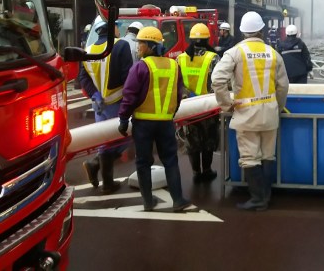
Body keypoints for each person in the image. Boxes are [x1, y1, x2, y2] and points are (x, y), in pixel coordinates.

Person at [211, 11, 289, 211]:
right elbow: (283, 86)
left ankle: (258, 199)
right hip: (270, 111)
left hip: (246, 113)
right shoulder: (273, 53)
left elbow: (217, 79)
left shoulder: (235, 52)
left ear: (243, 32)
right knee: (268, 155)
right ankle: (266, 196)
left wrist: (226, 104)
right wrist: (277, 107)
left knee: (250, 157)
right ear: (261, 31)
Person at [118, 26, 191, 212]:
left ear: (150, 45)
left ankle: (148, 202)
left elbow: (130, 95)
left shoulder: (141, 67)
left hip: (143, 124)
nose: (138, 47)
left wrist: (123, 119)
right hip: (166, 122)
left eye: (141, 43)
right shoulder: (174, 65)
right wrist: (170, 114)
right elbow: (177, 95)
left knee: (143, 162)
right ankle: (178, 200)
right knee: (170, 161)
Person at [78, 21, 134, 193]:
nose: (119, 29)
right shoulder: (121, 46)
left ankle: (101, 173)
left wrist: (95, 95)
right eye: (117, 26)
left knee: (105, 142)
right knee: (127, 136)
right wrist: (131, 101)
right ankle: (100, 173)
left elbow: (83, 78)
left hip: (99, 105)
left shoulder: (88, 51)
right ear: (113, 29)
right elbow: (129, 78)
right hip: (118, 103)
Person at [176, 23, 221, 183]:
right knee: (209, 140)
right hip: (208, 107)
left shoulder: (180, 58)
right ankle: (207, 170)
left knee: (192, 141)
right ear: (207, 39)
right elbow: (220, 82)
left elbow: (177, 83)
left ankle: (196, 172)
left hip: (188, 107)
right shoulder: (213, 58)